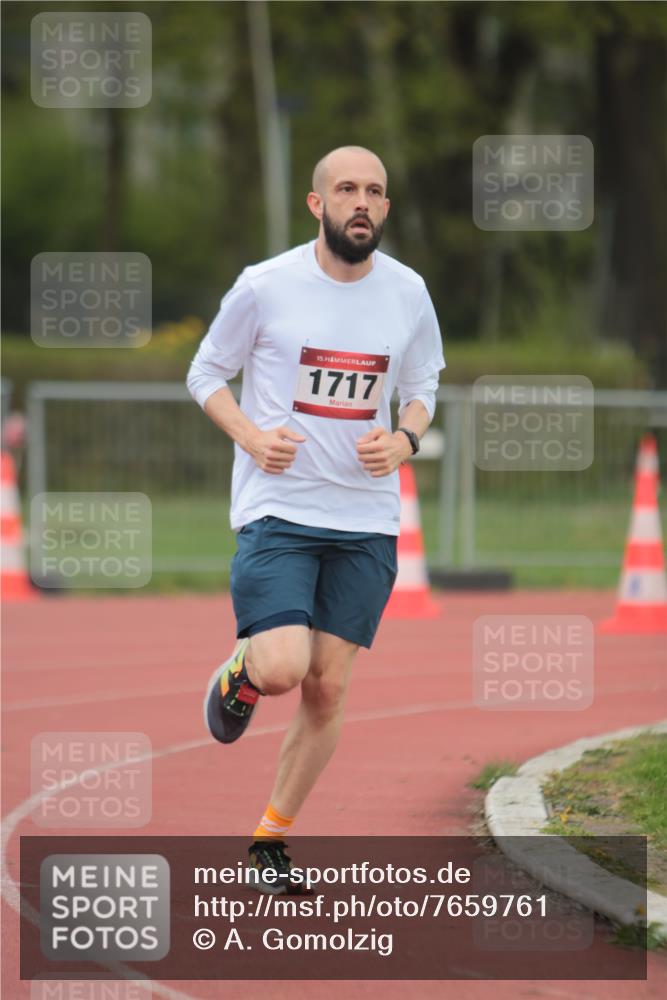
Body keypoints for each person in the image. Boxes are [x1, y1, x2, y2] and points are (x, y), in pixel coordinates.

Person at [187, 145, 445, 892]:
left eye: (372, 191)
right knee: (281, 669)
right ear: (317, 204)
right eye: (345, 189)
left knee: (328, 688)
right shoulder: (264, 287)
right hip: (280, 509)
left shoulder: (407, 292)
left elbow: (423, 383)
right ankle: (238, 672)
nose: (359, 201)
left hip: (365, 519)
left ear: (386, 208)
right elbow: (205, 371)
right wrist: (251, 436)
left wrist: (404, 437)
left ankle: (269, 839)